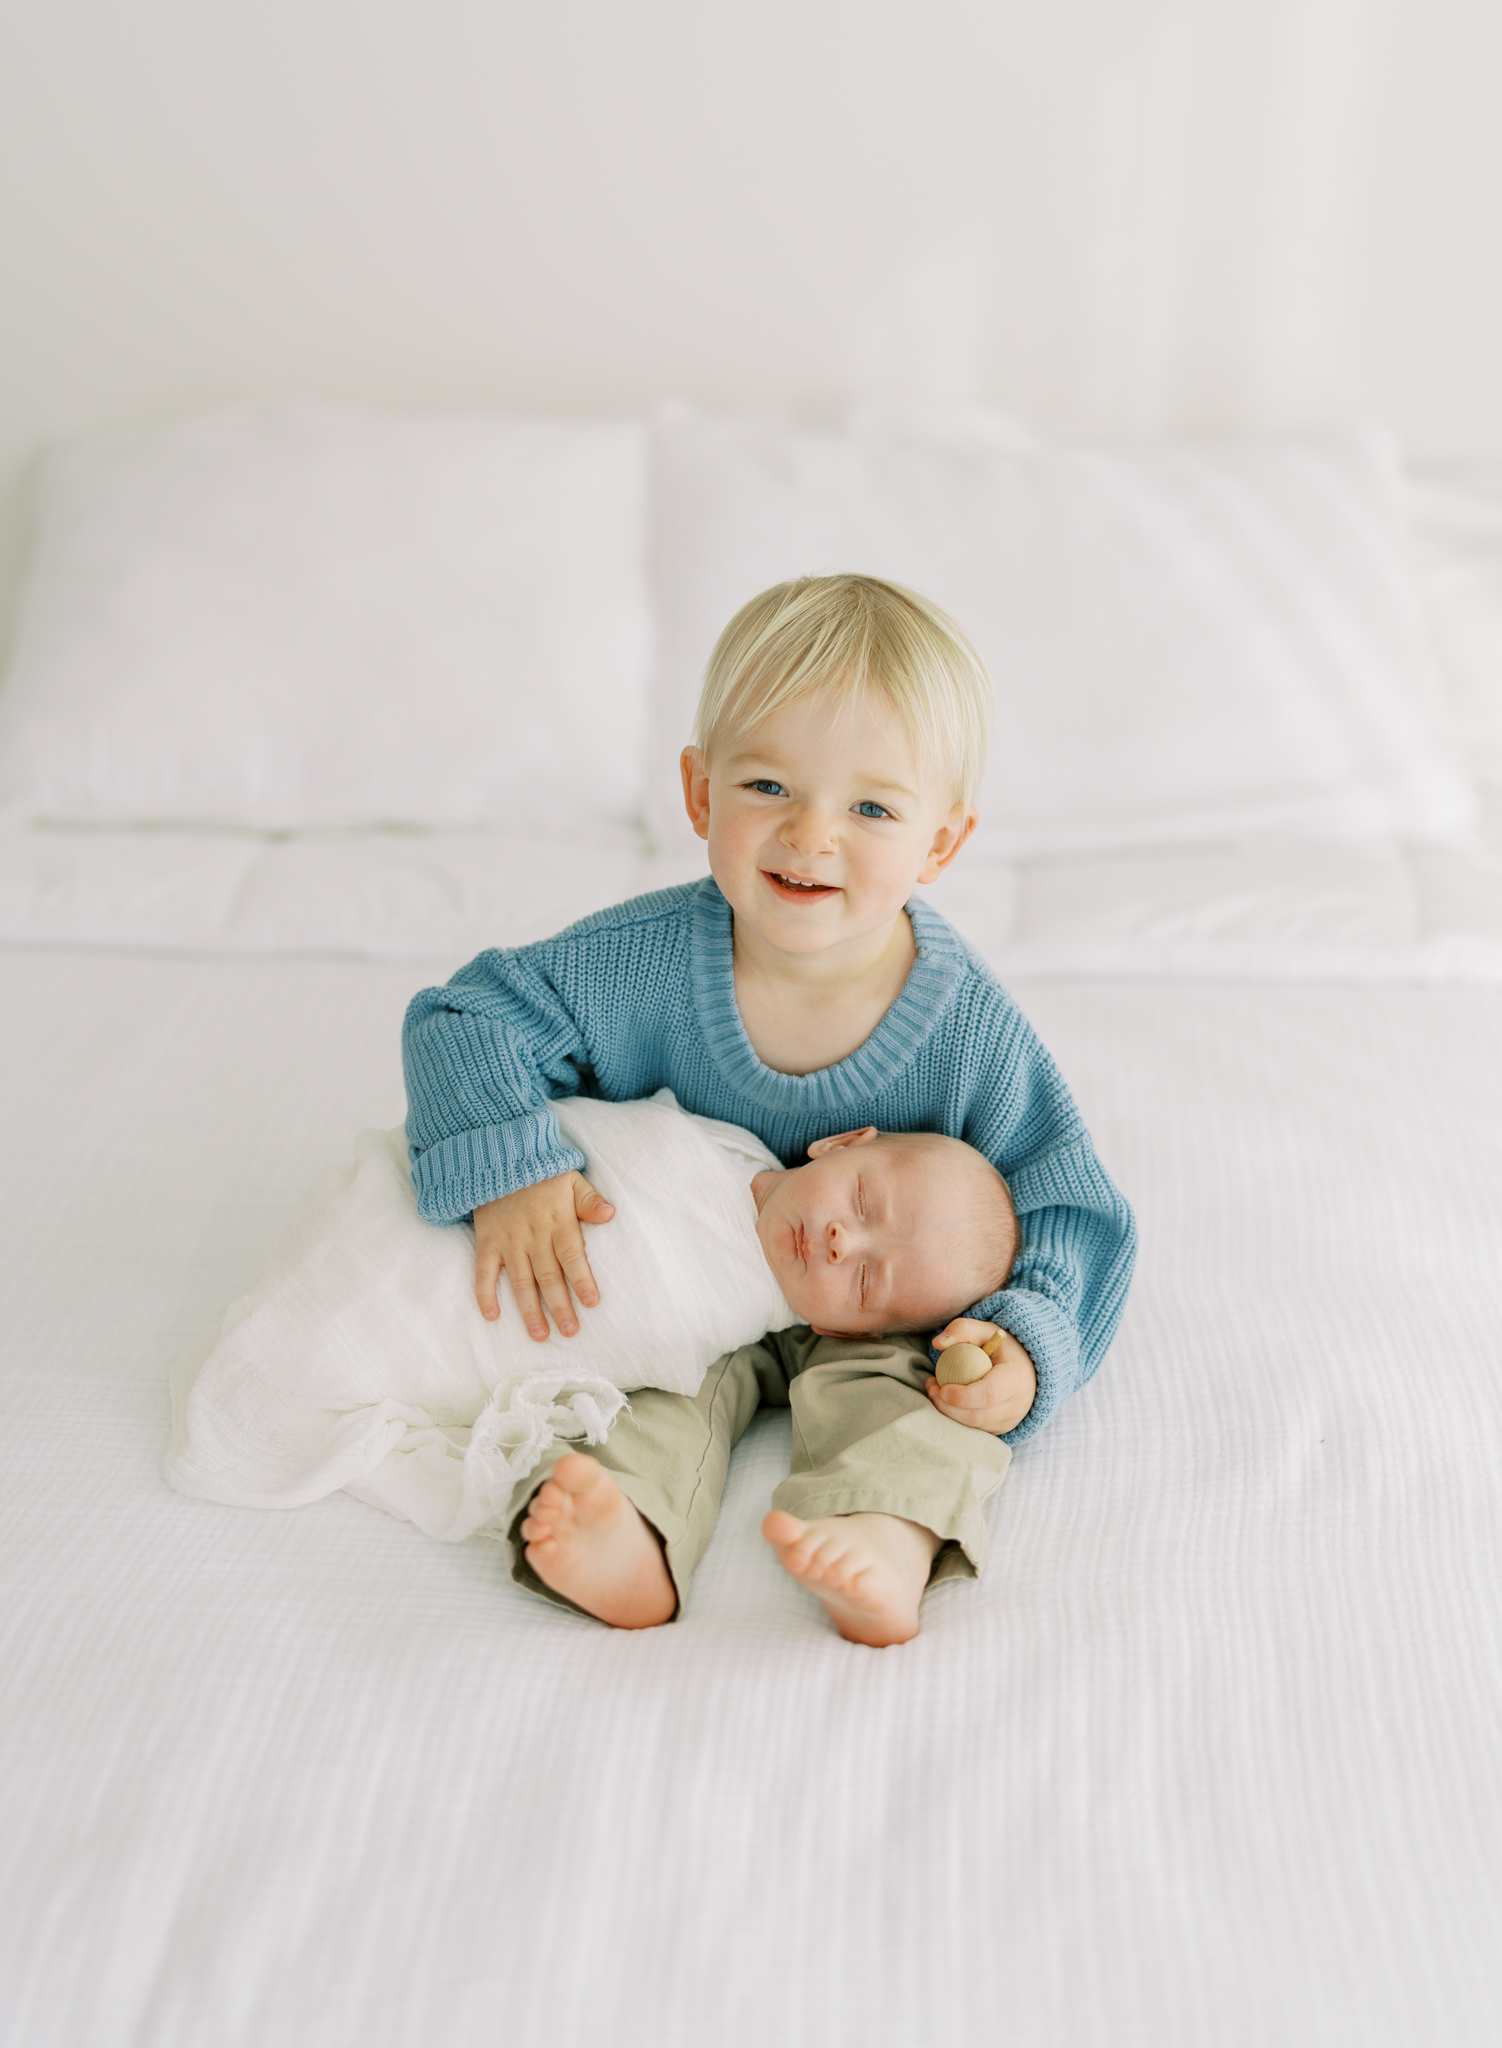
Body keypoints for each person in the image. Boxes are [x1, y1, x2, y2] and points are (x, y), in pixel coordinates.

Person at [402, 574, 1136, 1644]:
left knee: (915, 1406)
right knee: (637, 1394)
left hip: (877, 1313)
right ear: (699, 795)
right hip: (692, 1284)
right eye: (764, 786)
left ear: (939, 844)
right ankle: (627, 1534)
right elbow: (467, 1018)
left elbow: (1067, 1195)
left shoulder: (965, 1026)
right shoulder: (641, 960)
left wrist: (1026, 1341)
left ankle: (885, 1535)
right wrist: (513, 1162)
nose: (810, 834)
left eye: (871, 807)